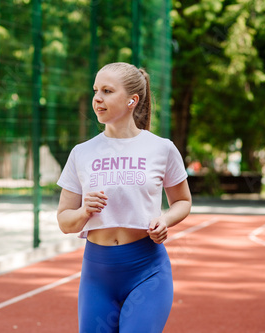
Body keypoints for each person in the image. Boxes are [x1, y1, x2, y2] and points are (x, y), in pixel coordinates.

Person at [57, 62, 192, 333]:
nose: (97, 98)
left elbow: (183, 201)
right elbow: (64, 221)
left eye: (107, 91)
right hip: (98, 275)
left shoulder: (161, 148)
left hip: (147, 270)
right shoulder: (81, 153)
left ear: (133, 100)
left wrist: (164, 220)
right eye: (96, 90)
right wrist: (84, 211)